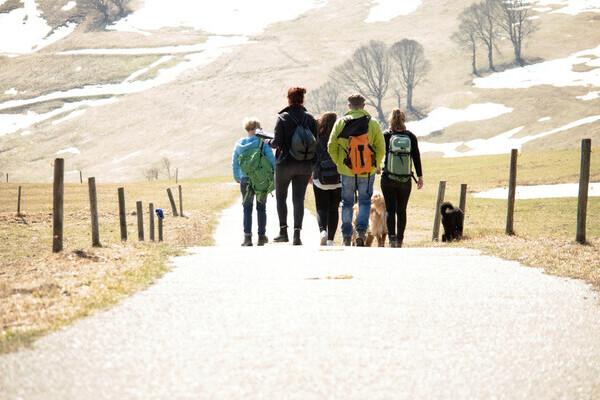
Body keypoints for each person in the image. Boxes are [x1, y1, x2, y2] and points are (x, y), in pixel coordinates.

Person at [328, 94, 385, 247]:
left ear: (349, 106)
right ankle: (360, 231)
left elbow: (331, 145)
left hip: (346, 171)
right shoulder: (372, 123)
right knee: (365, 202)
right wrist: (375, 164)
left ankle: (347, 236)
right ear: (364, 106)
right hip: (367, 171)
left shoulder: (340, 123)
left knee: (347, 202)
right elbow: (381, 147)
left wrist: (340, 163)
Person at [267, 87, 317, 245]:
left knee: (281, 198)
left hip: (285, 164)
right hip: (304, 165)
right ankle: (297, 235)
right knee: (299, 199)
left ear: (288, 99)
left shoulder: (283, 117)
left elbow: (277, 142)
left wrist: (267, 142)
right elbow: (315, 143)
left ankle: (283, 232)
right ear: (303, 99)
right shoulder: (310, 118)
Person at [380, 108, 423, 248]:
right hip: (405, 179)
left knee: (390, 210)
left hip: (388, 177)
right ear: (404, 120)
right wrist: (420, 176)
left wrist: (377, 166)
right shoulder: (411, 136)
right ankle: (400, 240)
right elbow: (416, 157)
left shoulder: (386, 135)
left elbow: (379, 153)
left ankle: (391, 239)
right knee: (402, 210)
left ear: (390, 120)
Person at [232, 117, 275, 247]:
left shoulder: (239, 145)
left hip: (245, 179)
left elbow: (234, 162)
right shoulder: (262, 143)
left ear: (247, 129)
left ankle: (247, 238)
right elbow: (271, 159)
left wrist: (237, 176)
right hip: (261, 180)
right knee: (261, 208)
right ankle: (261, 236)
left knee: (247, 208)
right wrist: (273, 173)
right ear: (258, 129)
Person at [312, 112, 341, 246]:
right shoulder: (340, 137)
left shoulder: (317, 139)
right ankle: (330, 239)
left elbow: (312, 158)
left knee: (321, 207)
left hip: (320, 179)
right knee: (334, 209)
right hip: (338, 179)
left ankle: (322, 230)